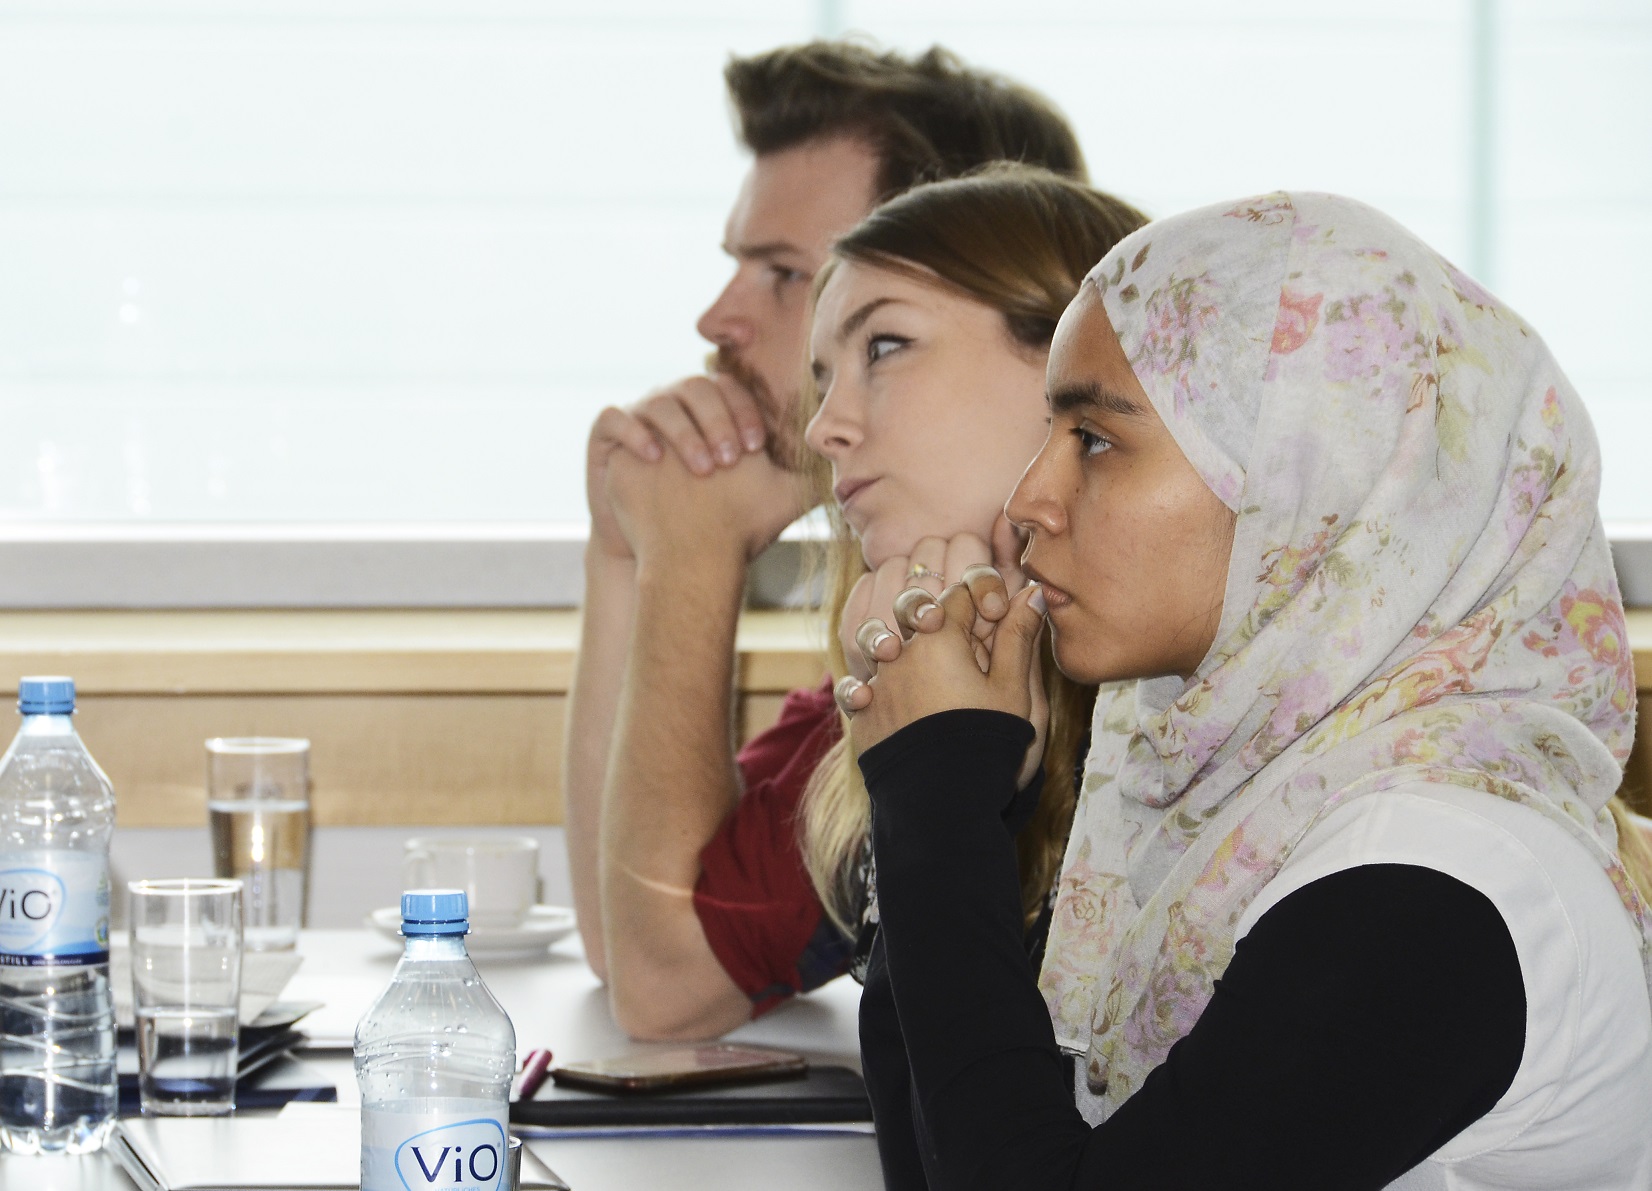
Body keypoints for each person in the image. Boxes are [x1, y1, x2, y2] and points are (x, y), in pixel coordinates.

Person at [840, 191, 1652, 1187]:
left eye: (1093, 437)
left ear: (1306, 482)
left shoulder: (1430, 891)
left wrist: (936, 801)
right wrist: (929, 804)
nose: (1027, 500)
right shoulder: (1215, 801)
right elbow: (943, 1158)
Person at [564, 39, 1088, 1040]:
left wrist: (689, 554)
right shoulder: (902, 640)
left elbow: (662, 976)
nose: (715, 319)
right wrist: (629, 550)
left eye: (781, 273)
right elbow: (647, 953)